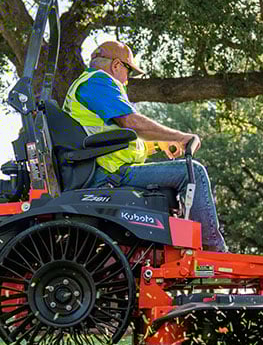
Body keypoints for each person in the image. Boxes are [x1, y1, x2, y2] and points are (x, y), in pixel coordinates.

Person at [62, 40, 228, 253]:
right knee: (192, 170)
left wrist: (160, 143)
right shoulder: (98, 82)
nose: (127, 80)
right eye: (128, 71)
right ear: (116, 66)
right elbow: (130, 122)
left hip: (102, 169)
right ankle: (214, 253)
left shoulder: (86, 85)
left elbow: (116, 139)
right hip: (109, 175)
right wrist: (180, 137)